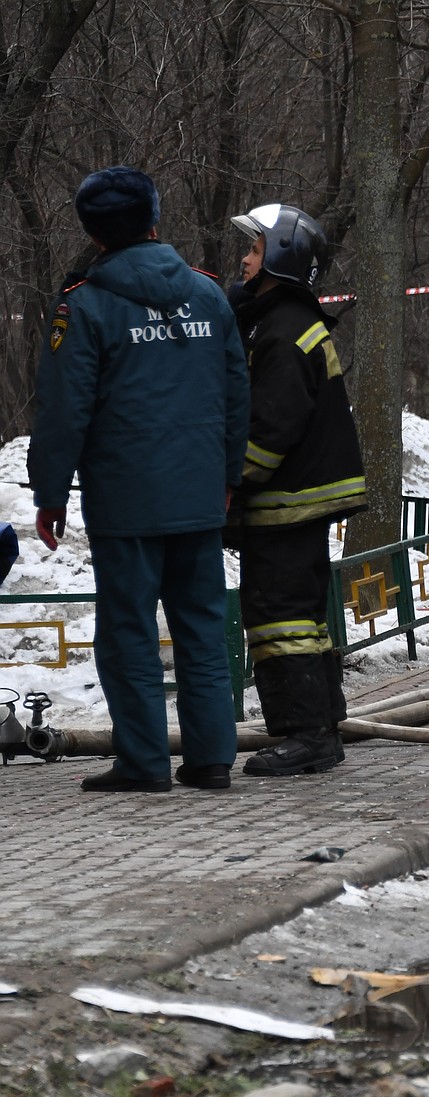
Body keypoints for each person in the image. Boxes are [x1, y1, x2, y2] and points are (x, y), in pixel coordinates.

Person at [27, 166, 251, 792]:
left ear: (94, 235)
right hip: (200, 494)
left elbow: (64, 411)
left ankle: (144, 762)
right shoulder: (209, 296)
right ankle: (211, 760)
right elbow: (237, 395)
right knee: (203, 628)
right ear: (154, 221)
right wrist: (227, 474)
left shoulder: (85, 305)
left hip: (125, 500)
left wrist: (49, 493)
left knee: (128, 633)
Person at [228, 203, 367, 776]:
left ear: (281, 256)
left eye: (255, 248)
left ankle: (308, 735)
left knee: (281, 616)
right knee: (299, 618)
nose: (244, 258)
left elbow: (272, 428)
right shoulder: (282, 319)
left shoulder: (283, 330)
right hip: (296, 504)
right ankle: (315, 725)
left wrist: (231, 480)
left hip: (286, 504)